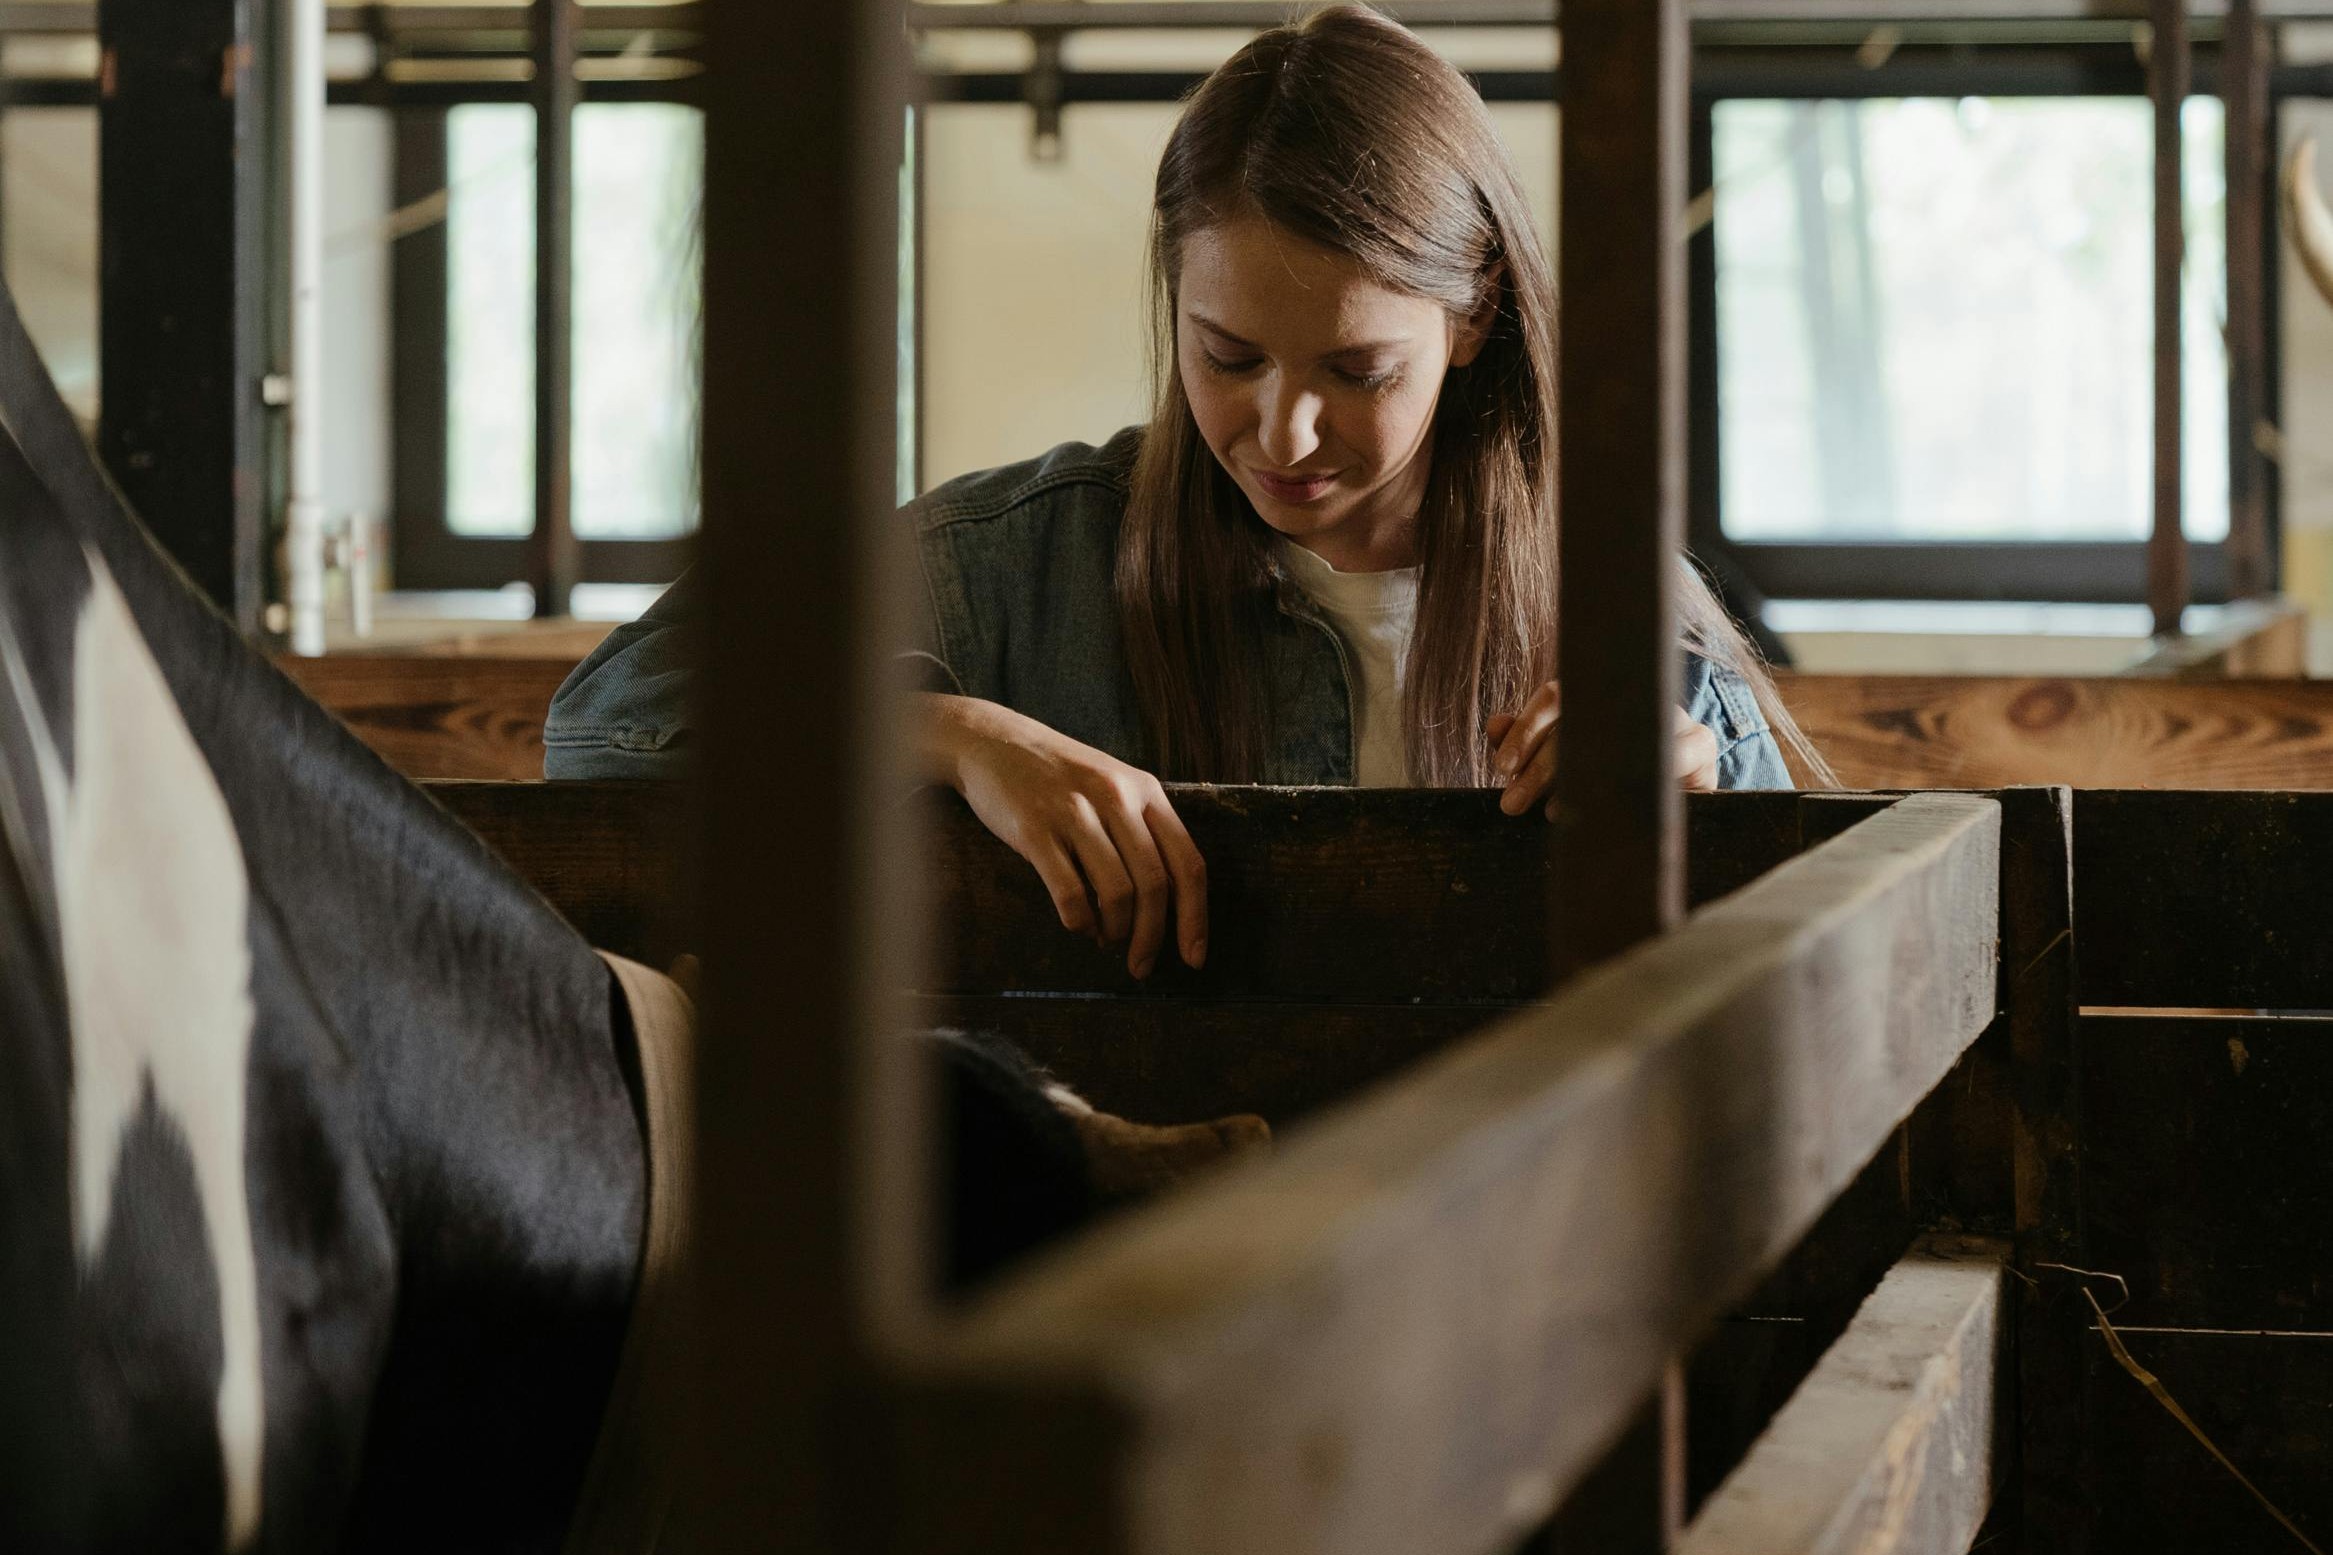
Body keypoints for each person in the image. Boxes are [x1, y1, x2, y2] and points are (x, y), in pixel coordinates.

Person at [545, 4, 1832, 983]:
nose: (1281, 429)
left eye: (1355, 368)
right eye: (1225, 356)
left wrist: (1699, 800)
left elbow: (1822, 953)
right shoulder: (1015, 556)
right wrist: (950, 733)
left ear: (1473, 313)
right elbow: (601, 731)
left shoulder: (1614, 598)